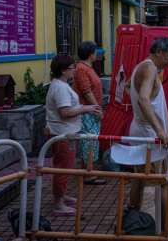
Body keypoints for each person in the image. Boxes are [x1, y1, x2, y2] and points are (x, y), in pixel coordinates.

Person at [124, 37, 168, 231]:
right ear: (158, 52)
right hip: (150, 136)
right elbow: (143, 100)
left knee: (139, 181)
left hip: (140, 131)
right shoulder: (149, 68)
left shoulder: (141, 66)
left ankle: (133, 223)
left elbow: (128, 86)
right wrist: (160, 130)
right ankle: (164, 231)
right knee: (163, 182)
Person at [45, 54, 103, 216]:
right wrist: (86, 108)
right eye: (71, 68)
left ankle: (61, 196)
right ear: (63, 70)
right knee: (64, 168)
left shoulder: (59, 85)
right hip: (64, 134)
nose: (73, 71)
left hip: (63, 132)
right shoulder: (61, 88)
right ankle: (58, 204)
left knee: (64, 167)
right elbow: (65, 112)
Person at [73, 41, 106, 185]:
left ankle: (86, 170)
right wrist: (97, 108)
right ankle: (88, 175)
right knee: (89, 142)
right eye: (95, 52)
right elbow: (86, 91)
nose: (96, 54)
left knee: (90, 142)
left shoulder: (86, 68)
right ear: (91, 54)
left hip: (91, 110)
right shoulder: (81, 69)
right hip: (87, 111)